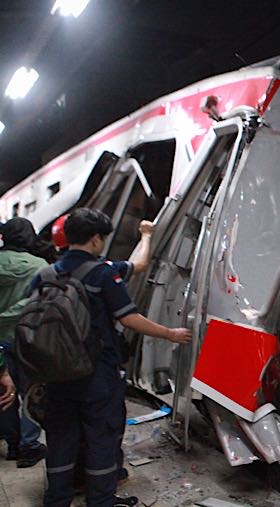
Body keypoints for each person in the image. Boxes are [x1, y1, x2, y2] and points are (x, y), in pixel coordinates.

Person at [38, 208, 190, 507]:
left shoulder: (46, 274)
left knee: (61, 437)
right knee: (101, 438)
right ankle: (101, 501)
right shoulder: (104, 272)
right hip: (96, 374)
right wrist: (170, 333)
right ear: (96, 239)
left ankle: (57, 500)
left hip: (56, 372)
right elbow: (130, 317)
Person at [0, 217, 51, 467]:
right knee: (31, 391)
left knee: (4, 393)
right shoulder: (40, 266)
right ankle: (29, 446)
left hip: (0, 343)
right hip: (28, 338)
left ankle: (12, 445)